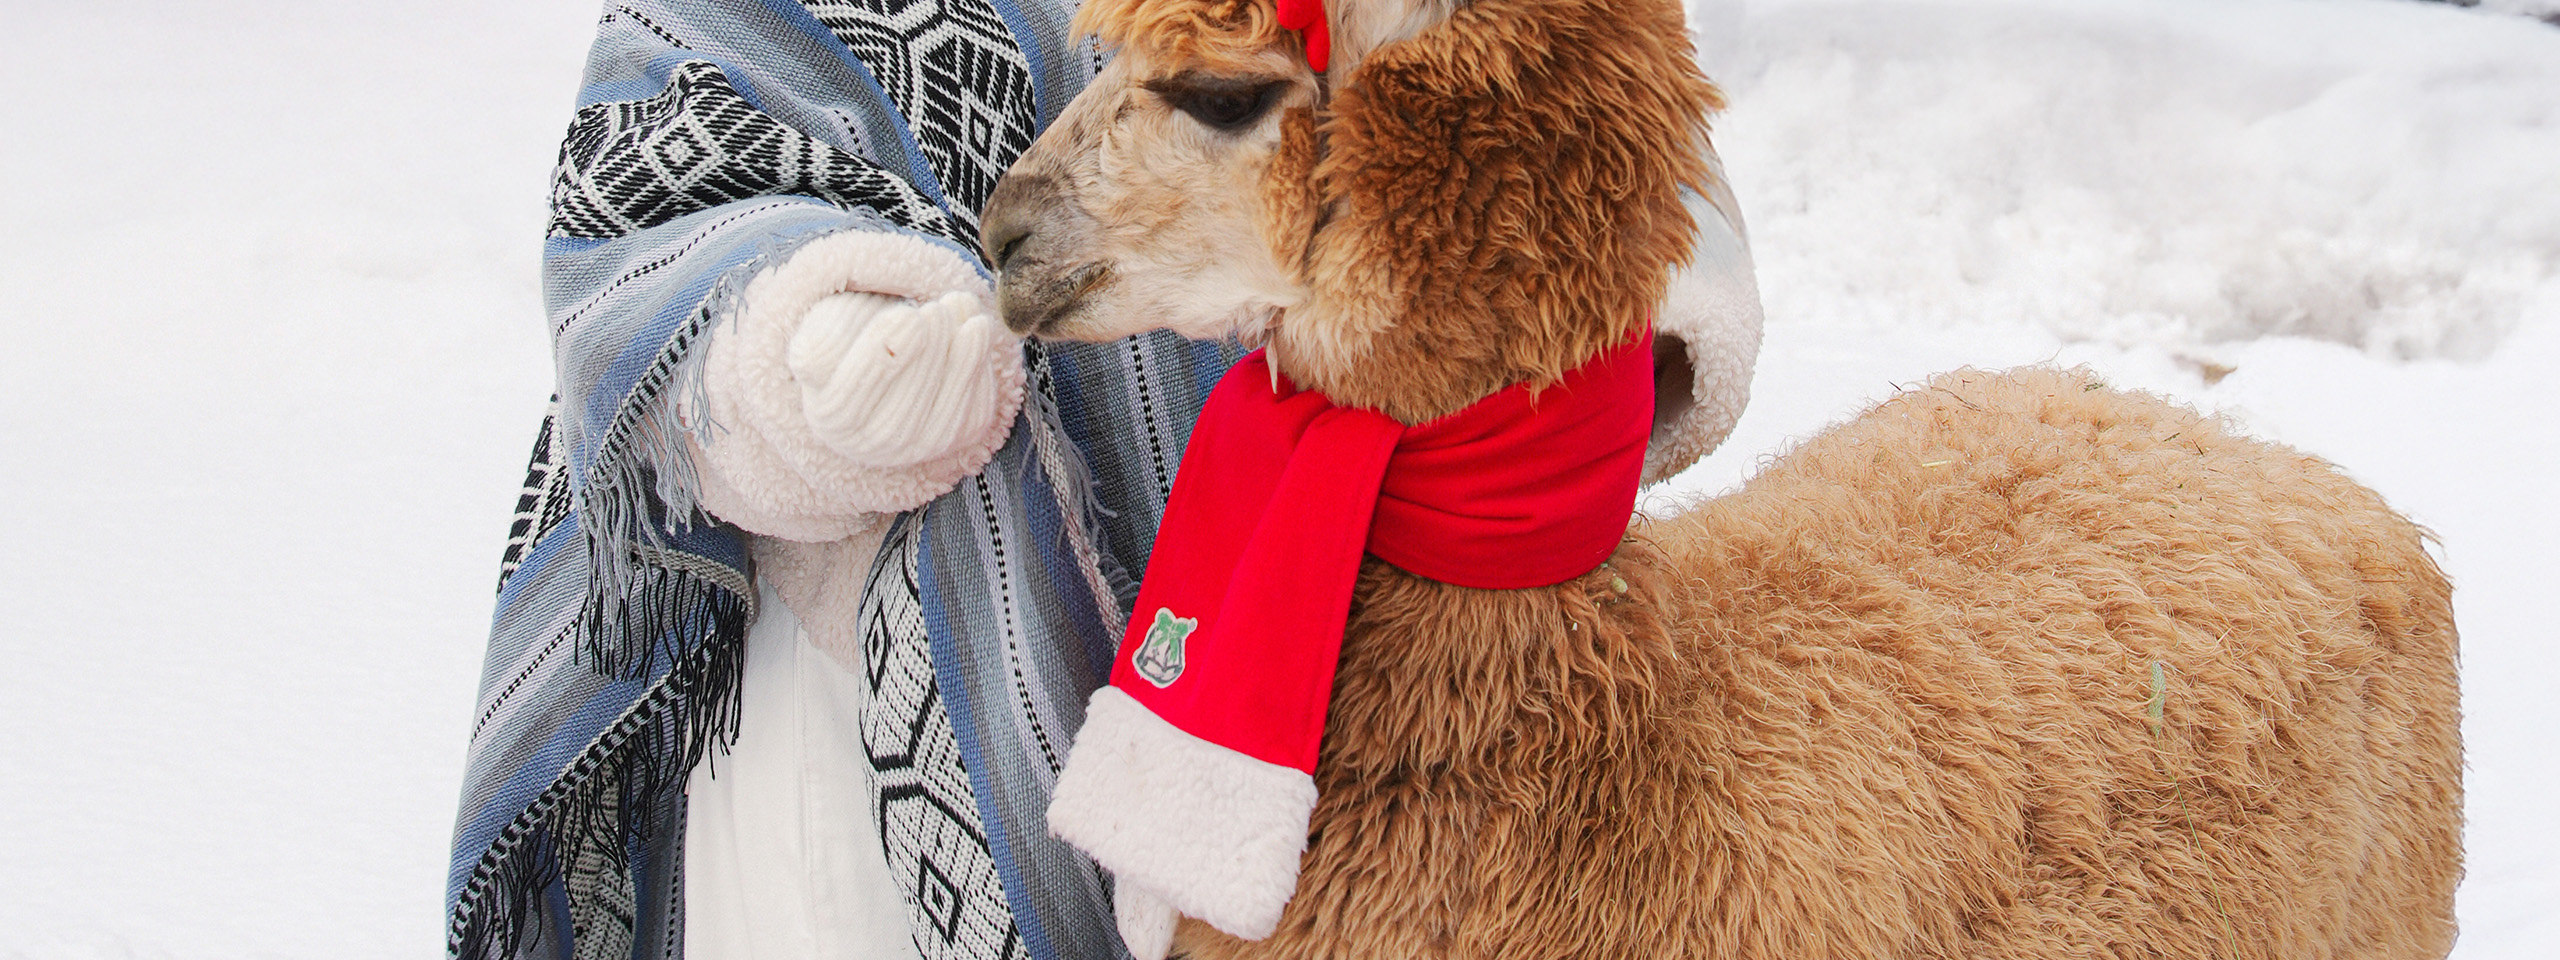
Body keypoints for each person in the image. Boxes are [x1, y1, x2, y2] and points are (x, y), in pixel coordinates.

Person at [443, 2, 1765, 959]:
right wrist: (794, 358)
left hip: (1308, 596)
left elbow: (1581, 115)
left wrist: (1541, 333)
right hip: (853, 638)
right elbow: (652, 185)